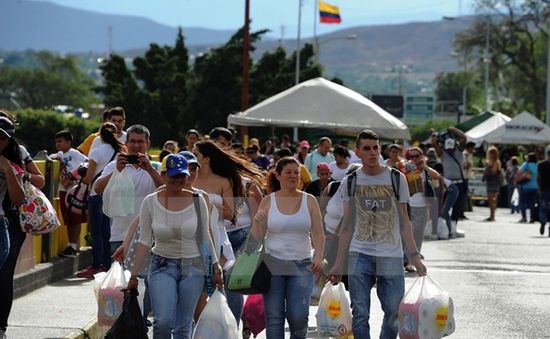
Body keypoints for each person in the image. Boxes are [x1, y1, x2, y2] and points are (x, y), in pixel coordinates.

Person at [328, 129, 427, 339]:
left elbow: (404, 221)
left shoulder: (395, 177)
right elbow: (346, 225)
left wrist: (414, 256)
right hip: (358, 253)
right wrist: (338, 263)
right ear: (358, 152)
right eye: (367, 149)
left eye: (375, 148)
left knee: (393, 312)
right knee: (360, 313)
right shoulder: (351, 181)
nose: (372, 152)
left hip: (390, 254)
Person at [127, 154, 223, 339]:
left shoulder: (197, 200)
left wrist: (215, 266)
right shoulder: (150, 202)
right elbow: (145, 241)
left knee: (183, 326)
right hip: (161, 265)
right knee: (162, 322)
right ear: (163, 175)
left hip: (194, 267)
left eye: (182, 175)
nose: (179, 180)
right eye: (174, 175)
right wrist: (133, 275)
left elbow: (204, 235)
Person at [252, 156, 324, 339]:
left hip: (302, 264)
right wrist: (257, 222)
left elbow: (317, 232)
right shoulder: (268, 201)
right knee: (275, 317)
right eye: (288, 172)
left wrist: (319, 255)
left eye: (296, 173)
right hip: (272, 263)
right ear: (277, 175)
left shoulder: (309, 200)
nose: (293, 176)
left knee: (298, 316)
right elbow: (257, 237)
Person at [192, 140, 263, 323]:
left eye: (196, 155)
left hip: (219, 235)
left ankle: (232, 326)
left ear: (206, 159)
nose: (192, 158)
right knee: (198, 288)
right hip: (193, 236)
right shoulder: (189, 178)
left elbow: (230, 213)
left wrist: (207, 205)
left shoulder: (224, 181)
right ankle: (200, 331)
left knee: (227, 284)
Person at [76, 122, 124, 279]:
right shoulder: (121, 151)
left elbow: (89, 178)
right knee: (108, 231)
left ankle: (96, 265)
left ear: (100, 136)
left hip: (97, 195)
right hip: (115, 195)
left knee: (96, 232)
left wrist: (76, 178)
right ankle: (109, 265)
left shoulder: (96, 152)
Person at [0, 116, 29, 338]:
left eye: (2, 138)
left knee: (4, 274)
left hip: (8, 222)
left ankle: (1, 325)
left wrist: (10, 171)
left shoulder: (15, 158)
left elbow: (19, 199)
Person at [51, 130, 88, 257]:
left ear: (69, 142)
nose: (58, 144)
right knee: (68, 219)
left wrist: (73, 176)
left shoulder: (74, 153)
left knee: (75, 218)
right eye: (56, 142)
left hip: (75, 189)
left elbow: (87, 163)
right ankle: (71, 245)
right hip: (63, 189)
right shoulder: (60, 155)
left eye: (60, 141)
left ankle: (72, 246)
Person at [404, 147, 439, 269]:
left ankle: (412, 260)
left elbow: (437, 176)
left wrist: (424, 166)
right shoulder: (406, 168)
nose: (414, 159)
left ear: (421, 157)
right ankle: (409, 259)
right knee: (410, 233)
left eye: (416, 156)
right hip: (407, 205)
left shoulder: (425, 170)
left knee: (418, 235)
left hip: (422, 206)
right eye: (411, 157)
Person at [431, 127, 468, 226]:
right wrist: (435, 135)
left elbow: (463, 138)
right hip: (447, 184)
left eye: (451, 148)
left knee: (457, 207)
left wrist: (453, 129)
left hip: (459, 182)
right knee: (443, 206)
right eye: (448, 148)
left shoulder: (459, 151)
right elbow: (434, 143)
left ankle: (453, 225)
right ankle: (445, 225)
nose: (449, 150)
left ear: (454, 145)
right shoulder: (442, 152)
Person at [482, 146, 502, 222]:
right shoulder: (493, 161)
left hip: (493, 182)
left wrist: (489, 166)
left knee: (492, 199)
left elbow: (493, 172)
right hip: (491, 182)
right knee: (491, 199)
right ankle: (492, 215)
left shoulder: (496, 162)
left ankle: (492, 215)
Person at [517, 152, 538, 223]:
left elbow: (519, 173)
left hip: (525, 186)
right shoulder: (537, 165)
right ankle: (532, 218)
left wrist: (524, 174)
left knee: (522, 202)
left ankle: (524, 217)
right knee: (533, 203)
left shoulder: (526, 165)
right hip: (535, 186)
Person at [537, 146, 550, 236]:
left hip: (544, 189)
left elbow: (538, 178)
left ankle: (543, 222)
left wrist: (539, 188)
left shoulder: (541, 165)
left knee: (543, 208)